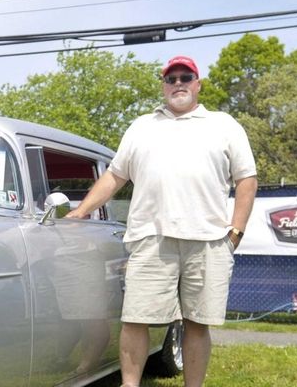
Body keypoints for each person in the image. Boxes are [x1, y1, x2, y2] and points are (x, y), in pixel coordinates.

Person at [65, 55, 257, 387]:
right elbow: (115, 175)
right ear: (163, 85)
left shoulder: (224, 125)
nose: (178, 83)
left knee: (197, 323)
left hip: (209, 242)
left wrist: (235, 232)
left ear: (198, 84)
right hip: (150, 240)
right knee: (135, 320)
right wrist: (81, 211)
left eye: (186, 77)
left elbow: (246, 179)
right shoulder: (141, 126)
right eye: (171, 78)